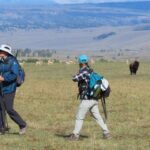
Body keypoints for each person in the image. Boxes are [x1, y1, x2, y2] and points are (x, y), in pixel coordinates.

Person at [67, 55, 110, 140]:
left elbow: (75, 79)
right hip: (94, 99)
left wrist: (74, 75)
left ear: (80, 62)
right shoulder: (90, 71)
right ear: (86, 62)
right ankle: (106, 133)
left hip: (87, 99)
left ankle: (75, 135)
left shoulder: (84, 72)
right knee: (97, 116)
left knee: (79, 117)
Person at [0, 44, 26, 135]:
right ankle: (2, 128)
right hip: (1, 88)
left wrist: (3, 78)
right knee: (1, 109)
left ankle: (22, 125)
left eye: (1, 51)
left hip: (10, 89)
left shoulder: (13, 61)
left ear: (5, 52)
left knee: (9, 109)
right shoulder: (1, 60)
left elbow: (14, 75)